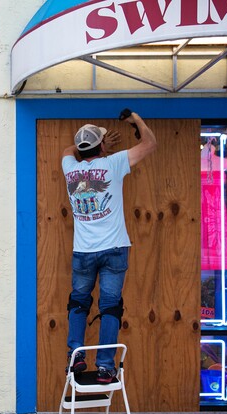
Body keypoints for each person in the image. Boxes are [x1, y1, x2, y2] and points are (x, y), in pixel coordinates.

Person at [62, 111, 157, 383]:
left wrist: (93, 148)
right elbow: (150, 144)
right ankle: (105, 366)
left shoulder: (69, 167)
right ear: (102, 147)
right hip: (114, 249)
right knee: (110, 306)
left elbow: (69, 149)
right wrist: (138, 120)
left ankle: (75, 355)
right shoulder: (114, 163)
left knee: (78, 303)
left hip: (83, 251)